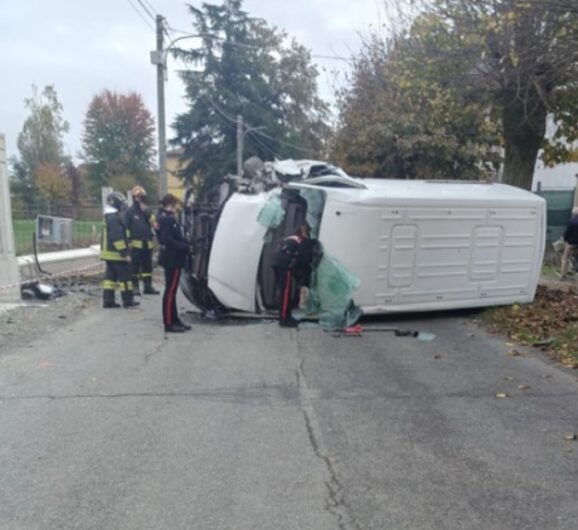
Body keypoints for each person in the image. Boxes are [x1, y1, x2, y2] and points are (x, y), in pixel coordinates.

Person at [157, 193, 191, 333]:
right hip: (172, 259)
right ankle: (169, 322)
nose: (177, 207)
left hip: (172, 258)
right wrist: (186, 247)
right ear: (170, 204)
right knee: (170, 292)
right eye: (176, 204)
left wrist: (185, 242)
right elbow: (168, 241)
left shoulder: (165, 217)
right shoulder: (167, 219)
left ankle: (175, 318)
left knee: (172, 291)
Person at [100, 192, 139, 308]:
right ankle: (128, 300)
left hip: (108, 254)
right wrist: (124, 253)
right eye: (121, 204)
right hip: (116, 254)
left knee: (110, 279)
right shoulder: (114, 218)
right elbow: (116, 237)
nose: (123, 207)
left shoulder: (108, 216)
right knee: (126, 277)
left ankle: (108, 300)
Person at [271, 223, 314, 327]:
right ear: (304, 233)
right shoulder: (299, 240)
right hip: (283, 265)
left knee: (285, 291)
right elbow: (301, 260)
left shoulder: (290, 238)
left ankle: (286, 316)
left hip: (278, 264)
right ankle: (284, 320)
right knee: (285, 293)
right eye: (306, 233)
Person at [125, 185, 160, 295]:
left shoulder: (148, 211)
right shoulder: (130, 212)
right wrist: (129, 241)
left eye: (142, 197)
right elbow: (126, 228)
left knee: (148, 267)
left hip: (148, 244)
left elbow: (154, 225)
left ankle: (148, 286)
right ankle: (135, 287)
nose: (140, 199)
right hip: (135, 245)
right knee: (134, 267)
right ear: (134, 198)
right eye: (138, 197)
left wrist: (148, 214)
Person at [560, 206, 578, 279]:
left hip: (571, 243)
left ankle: (563, 275)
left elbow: (567, 232)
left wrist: (565, 239)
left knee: (565, 258)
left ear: (573, 213)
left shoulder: (572, 221)